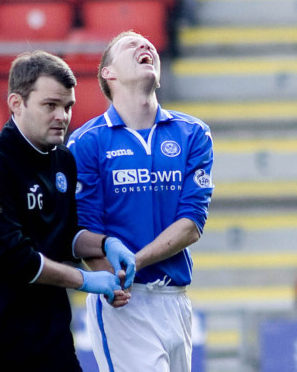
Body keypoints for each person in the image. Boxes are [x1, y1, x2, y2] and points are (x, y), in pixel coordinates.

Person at [0, 50, 135, 372]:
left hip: (46, 337)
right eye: (50, 105)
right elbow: (10, 256)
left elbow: (62, 233)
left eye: (68, 106)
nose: (62, 116)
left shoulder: (63, 160)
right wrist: (83, 279)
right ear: (16, 103)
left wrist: (104, 244)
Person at [67, 31, 214, 372]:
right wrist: (114, 282)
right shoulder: (86, 143)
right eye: (130, 45)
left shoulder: (193, 133)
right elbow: (85, 232)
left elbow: (191, 224)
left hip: (176, 300)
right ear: (108, 73)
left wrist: (135, 260)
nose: (145, 45)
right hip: (125, 304)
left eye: (148, 44)